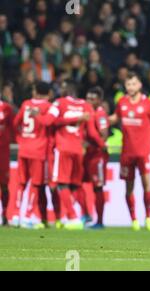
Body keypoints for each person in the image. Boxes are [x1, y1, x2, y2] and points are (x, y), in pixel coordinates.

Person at [32, 81, 105, 230]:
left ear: (65, 92)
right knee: (75, 185)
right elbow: (91, 133)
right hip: (78, 150)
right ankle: (85, 214)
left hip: (62, 149)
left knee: (61, 183)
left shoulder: (59, 104)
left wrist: (37, 115)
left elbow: (48, 122)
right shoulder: (86, 106)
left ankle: (72, 218)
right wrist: (103, 146)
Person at [109, 72, 150, 231]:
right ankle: (134, 220)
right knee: (128, 187)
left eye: (133, 84)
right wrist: (101, 118)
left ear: (139, 85)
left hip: (144, 152)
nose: (131, 87)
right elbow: (115, 118)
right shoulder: (122, 102)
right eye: (128, 85)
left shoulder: (148, 103)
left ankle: (148, 218)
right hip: (127, 153)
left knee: (146, 185)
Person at [13, 81, 52, 229]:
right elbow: (49, 123)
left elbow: (15, 122)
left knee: (21, 183)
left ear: (35, 91)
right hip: (38, 150)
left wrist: (20, 138)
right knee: (35, 184)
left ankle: (16, 215)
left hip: (24, 148)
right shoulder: (48, 107)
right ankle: (28, 216)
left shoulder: (25, 104)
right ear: (48, 94)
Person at [83, 87, 110, 229]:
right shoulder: (88, 113)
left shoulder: (100, 114)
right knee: (80, 183)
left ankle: (99, 221)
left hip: (97, 155)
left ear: (99, 101)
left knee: (98, 187)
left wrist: (92, 143)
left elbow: (104, 134)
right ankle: (86, 215)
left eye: (92, 99)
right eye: (88, 98)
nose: (89, 101)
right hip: (88, 154)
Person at [0, 96, 14, 226]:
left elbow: (13, 128)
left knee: (4, 185)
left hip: (3, 154)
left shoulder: (6, 108)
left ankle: (4, 215)